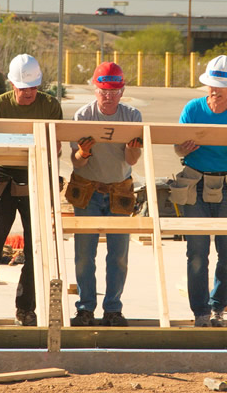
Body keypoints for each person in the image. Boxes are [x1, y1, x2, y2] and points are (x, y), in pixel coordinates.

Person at [0, 54, 63, 326]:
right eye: (23, 88)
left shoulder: (50, 105)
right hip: (3, 179)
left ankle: (25, 309)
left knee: (35, 250)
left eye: (33, 88)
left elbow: (56, 146)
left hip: (36, 176)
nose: (28, 93)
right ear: (11, 84)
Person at [67, 62, 142, 327]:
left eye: (114, 91)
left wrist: (132, 148)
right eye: (103, 91)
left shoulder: (132, 117)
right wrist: (83, 153)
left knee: (118, 255)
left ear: (122, 90)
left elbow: (132, 160)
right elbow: (76, 163)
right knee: (84, 254)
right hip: (87, 189)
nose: (108, 96)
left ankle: (113, 309)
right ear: (95, 89)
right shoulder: (83, 116)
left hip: (118, 190)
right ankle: (85, 308)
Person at [172, 55, 227, 327]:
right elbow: (176, 148)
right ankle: (200, 311)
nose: (214, 92)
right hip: (195, 185)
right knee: (197, 253)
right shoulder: (193, 109)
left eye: (219, 88)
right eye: (211, 86)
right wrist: (182, 148)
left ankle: (217, 307)